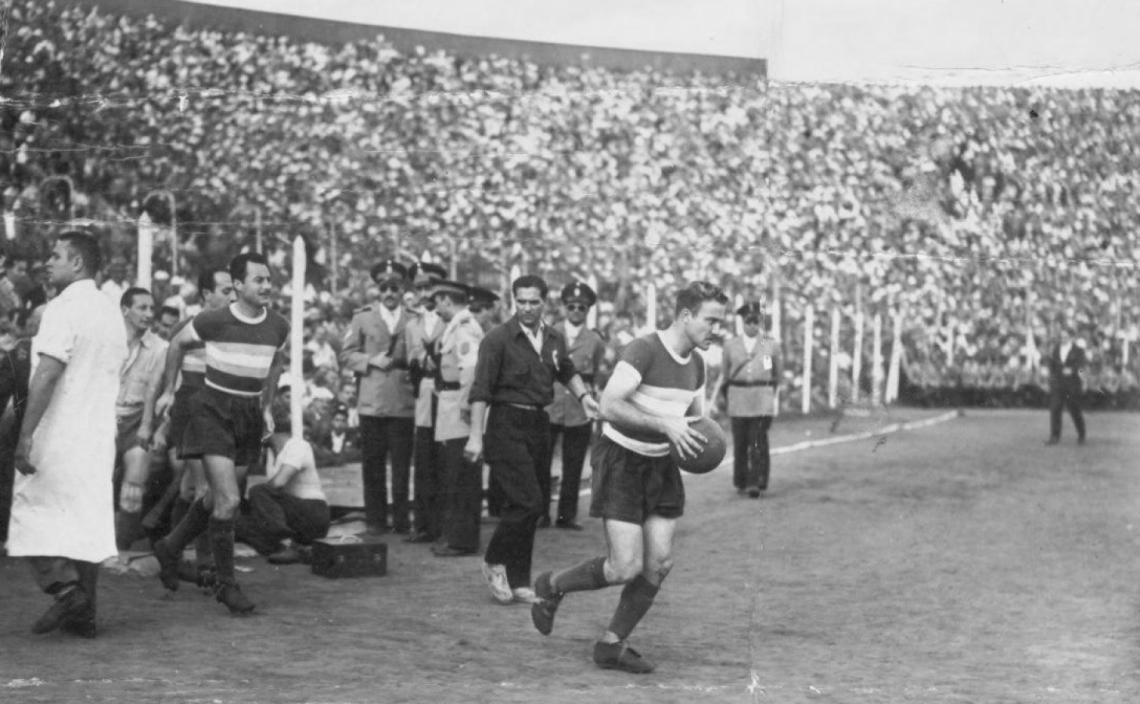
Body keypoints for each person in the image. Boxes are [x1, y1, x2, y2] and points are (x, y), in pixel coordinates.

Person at [529, 281, 727, 674]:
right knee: (625, 567)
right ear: (686, 316)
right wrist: (666, 425)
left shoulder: (699, 364)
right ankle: (552, 585)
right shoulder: (644, 350)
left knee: (660, 563)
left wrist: (705, 440)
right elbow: (609, 405)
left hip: (660, 465)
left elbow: (695, 420)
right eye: (711, 320)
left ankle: (612, 643)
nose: (716, 329)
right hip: (622, 460)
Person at [152, 252, 288, 615]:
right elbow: (177, 344)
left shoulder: (278, 325)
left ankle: (170, 545)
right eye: (258, 280)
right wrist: (168, 391)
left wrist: (265, 406)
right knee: (227, 499)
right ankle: (227, 586)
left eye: (269, 279)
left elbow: (275, 363)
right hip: (212, 410)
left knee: (217, 497)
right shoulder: (212, 320)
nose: (266, 286)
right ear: (238, 285)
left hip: (247, 414)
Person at [8, 232, 128, 638]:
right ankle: (84, 613)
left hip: (61, 430)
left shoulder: (61, 308)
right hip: (98, 433)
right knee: (86, 524)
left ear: (77, 264)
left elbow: (47, 373)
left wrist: (25, 435)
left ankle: (65, 590)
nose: (47, 261)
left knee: (30, 511)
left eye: (55, 255)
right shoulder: (111, 312)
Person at [466, 274, 599, 604]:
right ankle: (495, 561)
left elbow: (565, 369)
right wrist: (475, 437)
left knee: (530, 504)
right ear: (514, 302)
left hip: (538, 422)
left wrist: (584, 398)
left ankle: (520, 579)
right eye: (521, 301)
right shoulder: (497, 339)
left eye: (533, 301)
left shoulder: (553, 338)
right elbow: (480, 390)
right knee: (528, 502)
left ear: (545, 303)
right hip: (505, 423)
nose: (527, 307)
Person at [150, 268, 235, 586]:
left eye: (233, 290)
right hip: (195, 414)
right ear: (205, 295)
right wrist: (160, 421)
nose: (231, 296)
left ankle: (171, 555)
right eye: (224, 290)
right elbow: (166, 378)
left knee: (191, 489)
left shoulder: (233, 327)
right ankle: (203, 562)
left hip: (220, 413)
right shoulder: (189, 327)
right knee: (206, 489)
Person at [339, 260, 415, 535]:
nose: (390, 293)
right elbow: (346, 355)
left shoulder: (414, 318)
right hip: (371, 402)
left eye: (395, 287)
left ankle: (402, 519)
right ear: (378, 290)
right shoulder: (363, 317)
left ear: (403, 289)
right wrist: (371, 360)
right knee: (373, 465)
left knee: (402, 466)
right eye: (385, 288)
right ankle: (376, 520)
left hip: (403, 401)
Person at [428, 280, 484, 557]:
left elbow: (471, 368)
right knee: (453, 474)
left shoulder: (464, 329)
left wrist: (465, 403)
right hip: (450, 405)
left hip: (459, 408)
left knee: (461, 476)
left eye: (438, 302)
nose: (436, 308)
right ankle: (455, 535)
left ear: (447, 300)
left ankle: (461, 540)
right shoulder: (455, 327)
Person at [544, 282, 605, 530]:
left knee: (574, 462)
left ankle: (565, 515)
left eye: (582, 307)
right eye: (572, 306)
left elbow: (597, 372)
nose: (576, 310)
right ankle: (539, 513)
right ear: (564, 308)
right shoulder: (550, 332)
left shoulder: (595, 340)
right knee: (542, 460)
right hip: (551, 402)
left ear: (588, 309)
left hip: (579, 407)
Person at [113, 287, 169, 549]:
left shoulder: (161, 348)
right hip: (102, 420)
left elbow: (162, 394)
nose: (148, 314)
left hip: (137, 423)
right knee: (87, 484)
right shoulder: (107, 341)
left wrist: (154, 428)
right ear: (125, 309)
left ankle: (121, 551)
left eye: (151, 308)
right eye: (142, 308)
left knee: (134, 487)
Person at [235, 420, 330, 565]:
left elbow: (278, 483)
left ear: (267, 433)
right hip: (291, 517)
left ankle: (285, 543)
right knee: (238, 519)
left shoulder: (297, 446)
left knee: (258, 491)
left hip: (313, 514)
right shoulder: (272, 457)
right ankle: (287, 549)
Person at [713, 302, 781, 498]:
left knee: (758, 441)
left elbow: (775, 374)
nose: (752, 325)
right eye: (748, 321)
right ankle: (741, 480)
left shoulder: (770, 345)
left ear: (760, 322)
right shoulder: (730, 345)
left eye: (756, 321)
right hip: (738, 398)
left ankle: (756, 481)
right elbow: (726, 375)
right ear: (742, 322)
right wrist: (726, 398)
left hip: (761, 398)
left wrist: (769, 396)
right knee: (740, 442)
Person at [405, 261, 448, 544]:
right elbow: (413, 359)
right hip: (425, 390)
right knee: (423, 461)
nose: (424, 292)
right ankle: (423, 525)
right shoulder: (412, 325)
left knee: (444, 459)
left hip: (446, 393)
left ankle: (442, 524)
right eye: (419, 287)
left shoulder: (449, 320)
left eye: (429, 286)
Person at [1045, 322, 1088, 445]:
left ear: (1071, 337)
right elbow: (1052, 366)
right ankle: (1054, 437)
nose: (1062, 339)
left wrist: (1075, 372)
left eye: (1065, 336)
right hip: (1058, 384)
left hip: (1073, 385)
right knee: (1055, 409)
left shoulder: (1078, 351)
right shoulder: (1056, 349)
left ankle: (1081, 435)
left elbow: (1082, 367)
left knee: (1075, 411)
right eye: (1061, 336)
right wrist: (1052, 379)